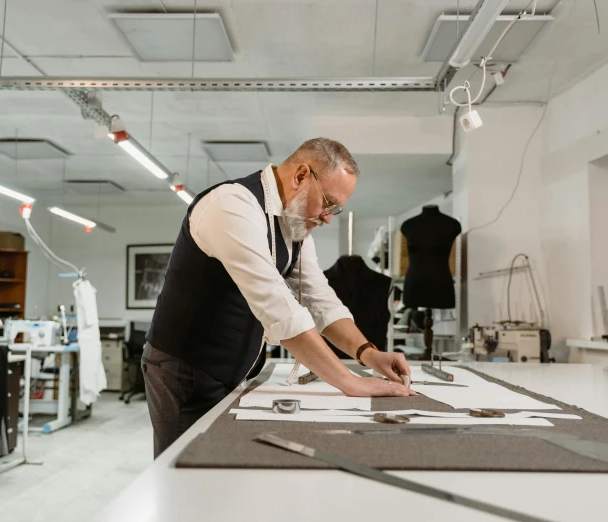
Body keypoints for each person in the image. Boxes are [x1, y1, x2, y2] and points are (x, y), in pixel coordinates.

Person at [142, 138, 415, 457]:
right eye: (328, 203)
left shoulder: (295, 226)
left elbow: (320, 299)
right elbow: (278, 308)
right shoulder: (231, 206)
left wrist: (368, 354)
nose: (328, 217)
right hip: (182, 368)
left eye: (335, 209)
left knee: (217, 467)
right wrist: (350, 382)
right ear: (301, 175)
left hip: (229, 369)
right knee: (184, 469)